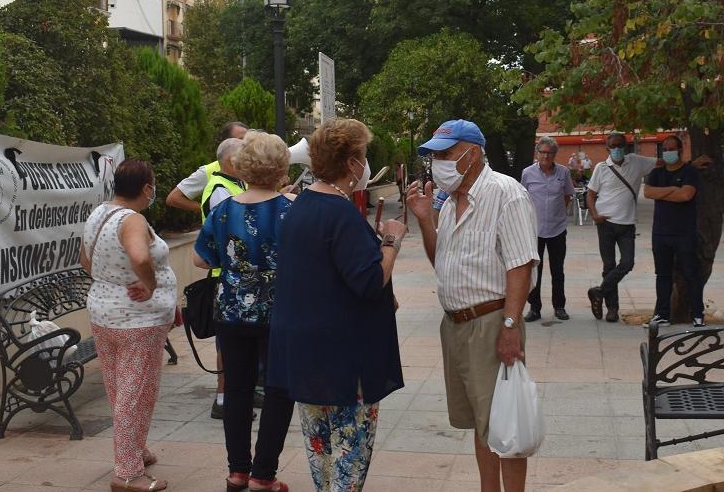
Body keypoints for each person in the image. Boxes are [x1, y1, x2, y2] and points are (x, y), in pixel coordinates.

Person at [269, 118, 406, 492]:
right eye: (362, 156)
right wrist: (391, 242)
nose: (365, 164)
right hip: (343, 358)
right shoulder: (340, 212)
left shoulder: (302, 205)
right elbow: (368, 281)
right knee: (349, 452)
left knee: (321, 450)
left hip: (306, 351)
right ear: (350, 163)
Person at [406, 119, 537, 492]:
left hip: (492, 320)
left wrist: (510, 327)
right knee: (483, 423)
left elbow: (520, 265)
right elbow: (442, 260)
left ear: (472, 152)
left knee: (505, 422)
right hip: (456, 324)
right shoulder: (449, 204)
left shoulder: (505, 193)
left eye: (445, 154)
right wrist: (425, 219)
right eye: (435, 156)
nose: (438, 163)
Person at [193, 131, 295, 492]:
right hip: (280, 312)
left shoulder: (224, 210)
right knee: (279, 390)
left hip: (232, 309)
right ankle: (264, 474)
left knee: (235, 389)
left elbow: (199, 257)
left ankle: (238, 470)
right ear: (282, 167)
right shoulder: (291, 211)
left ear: (244, 166)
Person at [81, 158, 177, 492]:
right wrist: (149, 284)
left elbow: (85, 260)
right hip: (138, 320)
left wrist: (111, 281)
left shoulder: (99, 213)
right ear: (147, 188)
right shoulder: (132, 220)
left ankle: (134, 449)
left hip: (104, 314)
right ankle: (127, 473)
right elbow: (139, 257)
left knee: (120, 388)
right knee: (135, 394)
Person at [166, 123, 249, 419]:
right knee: (228, 341)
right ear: (231, 150)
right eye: (243, 142)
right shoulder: (214, 179)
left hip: (234, 275)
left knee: (238, 341)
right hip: (224, 276)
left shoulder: (236, 181)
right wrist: (204, 213)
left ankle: (238, 394)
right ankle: (224, 399)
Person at [585, 132, 658, 323]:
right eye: (613, 146)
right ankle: (612, 309)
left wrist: (692, 164)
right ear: (607, 148)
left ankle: (598, 291)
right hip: (606, 224)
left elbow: (662, 162)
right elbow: (590, 195)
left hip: (627, 225)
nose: (617, 149)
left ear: (625, 147)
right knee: (609, 266)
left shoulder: (636, 162)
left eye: (620, 145)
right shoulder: (601, 168)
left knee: (627, 263)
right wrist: (594, 215)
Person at [642, 135, 705, 327]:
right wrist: (672, 189)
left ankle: (697, 314)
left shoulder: (690, 172)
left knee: (691, 273)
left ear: (680, 150)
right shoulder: (656, 172)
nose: (668, 152)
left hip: (685, 232)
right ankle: (662, 314)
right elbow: (648, 192)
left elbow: (686, 195)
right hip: (660, 233)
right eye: (665, 149)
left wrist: (662, 193)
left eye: (672, 149)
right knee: (662, 275)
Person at [520, 136, 573, 322]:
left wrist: (558, 214)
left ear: (555, 154)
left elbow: (567, 196)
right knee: (535, 270)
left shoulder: (563, 172)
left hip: (557, 228)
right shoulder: (527, 173)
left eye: (550, 153)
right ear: (537, 153)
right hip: (534, 230)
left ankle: (559, 306)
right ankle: (535, 308)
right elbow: (523, 199)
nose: (546, 156)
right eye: (542, 152)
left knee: (558, 270)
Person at [166, 121, 249, 215]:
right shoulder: (207, 171)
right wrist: (206, 209)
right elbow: (174, 198)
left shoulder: (249, 167)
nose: (245, 145)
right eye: (240, 140)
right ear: (226, 143)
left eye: (247, 141)